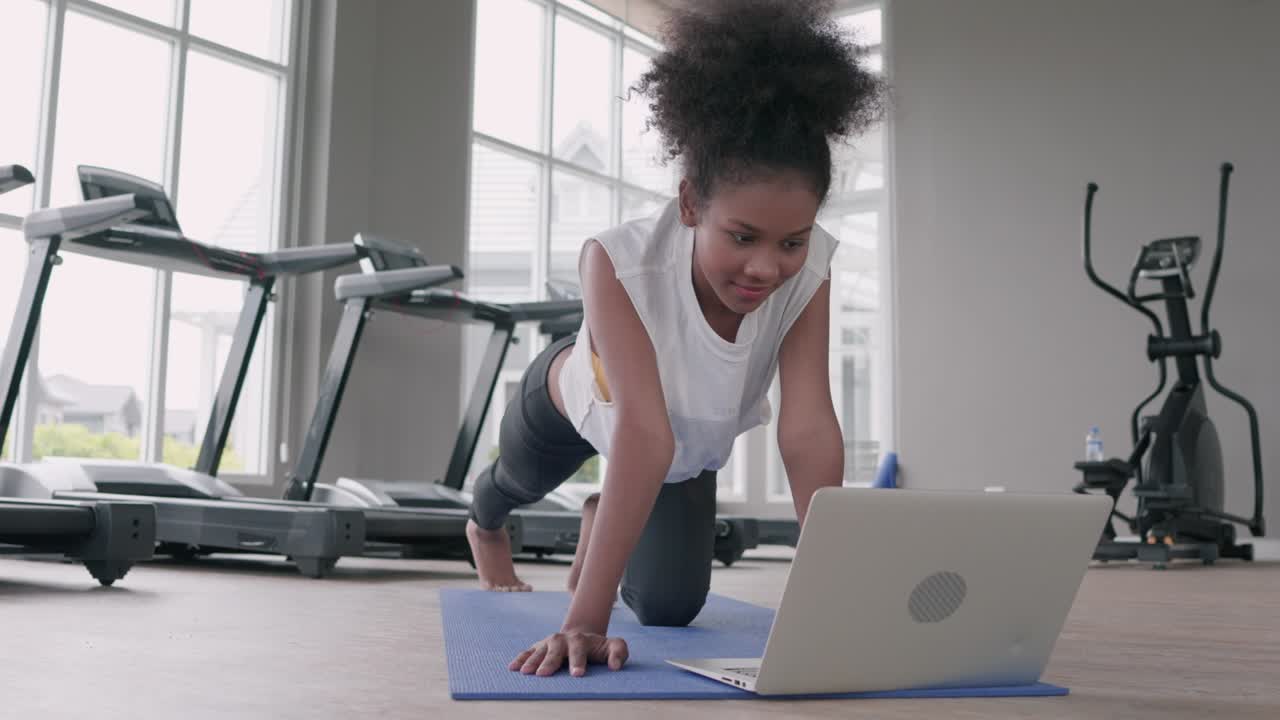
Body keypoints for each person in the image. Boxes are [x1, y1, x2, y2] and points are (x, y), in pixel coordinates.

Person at [464, 0, 886, 678]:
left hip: (679, 450)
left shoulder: (810, 272)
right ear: (690, 204)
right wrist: (584, 622)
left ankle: (605, 512)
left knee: (669, 606)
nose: (766, 267)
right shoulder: (616, 261)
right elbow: (640, 429)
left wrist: (830, 594)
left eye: (792, 241)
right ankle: (482, 525)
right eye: (742, 236)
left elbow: (808, 423)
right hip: (578, 404)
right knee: (516, 480)